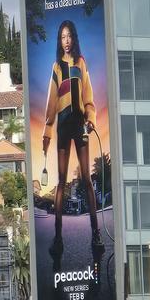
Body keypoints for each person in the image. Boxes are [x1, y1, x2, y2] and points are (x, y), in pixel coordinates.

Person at [41, 19, 101, 253]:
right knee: (61, 180)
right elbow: (51, 103)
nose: (66, 41)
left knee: (86, 179)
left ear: (74, 38)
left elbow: (88, 96)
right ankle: (58, 238)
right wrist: (47, 132)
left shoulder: (80, 63)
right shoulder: (57, 67)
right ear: (60, 40)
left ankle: (96, 234)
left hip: (80, 125)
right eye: (62, 37)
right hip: (63, 127)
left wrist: (91, 118)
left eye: (69, 36)